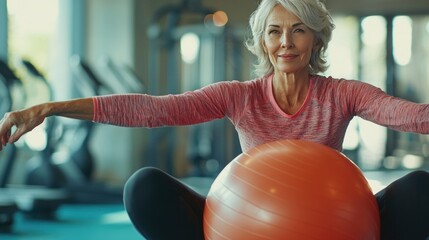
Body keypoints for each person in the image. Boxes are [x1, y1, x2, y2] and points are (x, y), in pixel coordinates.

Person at [1, 0, 429, 239]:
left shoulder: (341, 93)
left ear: (316, 37)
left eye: (298, 29)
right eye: (275, 31)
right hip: (248, 222)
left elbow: (406, 115)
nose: (286, 42)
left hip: (331, 223)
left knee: (419, 190)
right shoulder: (239, 96)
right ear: (263, 40)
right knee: (144, 187)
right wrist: (48, 108)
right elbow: (155, 109)